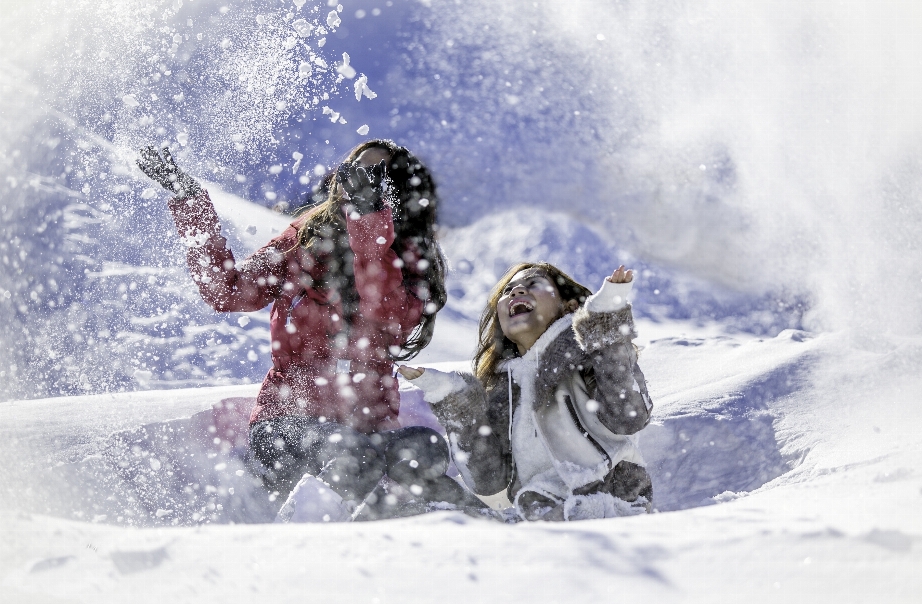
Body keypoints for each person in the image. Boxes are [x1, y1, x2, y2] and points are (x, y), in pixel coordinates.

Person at [137, 139, 476, 522]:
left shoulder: (413, 258)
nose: (363, 182)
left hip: (368, 428)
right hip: (287, 422)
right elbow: (227, 291)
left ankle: (474, 533)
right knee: (351, 458)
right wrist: (189, 201)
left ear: (402, 191)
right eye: (356, 171)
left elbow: (383, 314)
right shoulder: (304, 239)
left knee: (423, 447)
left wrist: (370, 226)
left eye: (380, 176)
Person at [399, 262, 654, 521]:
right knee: (414, 515)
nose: (516, 292)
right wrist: (454, 399)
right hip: (535, 513)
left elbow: (628, 416)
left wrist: (604, 323)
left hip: (605, 507)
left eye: (533, 284)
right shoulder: (506, 386)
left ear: (569, 306)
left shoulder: (589, 355)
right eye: (507, 290)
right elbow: (488, 481)